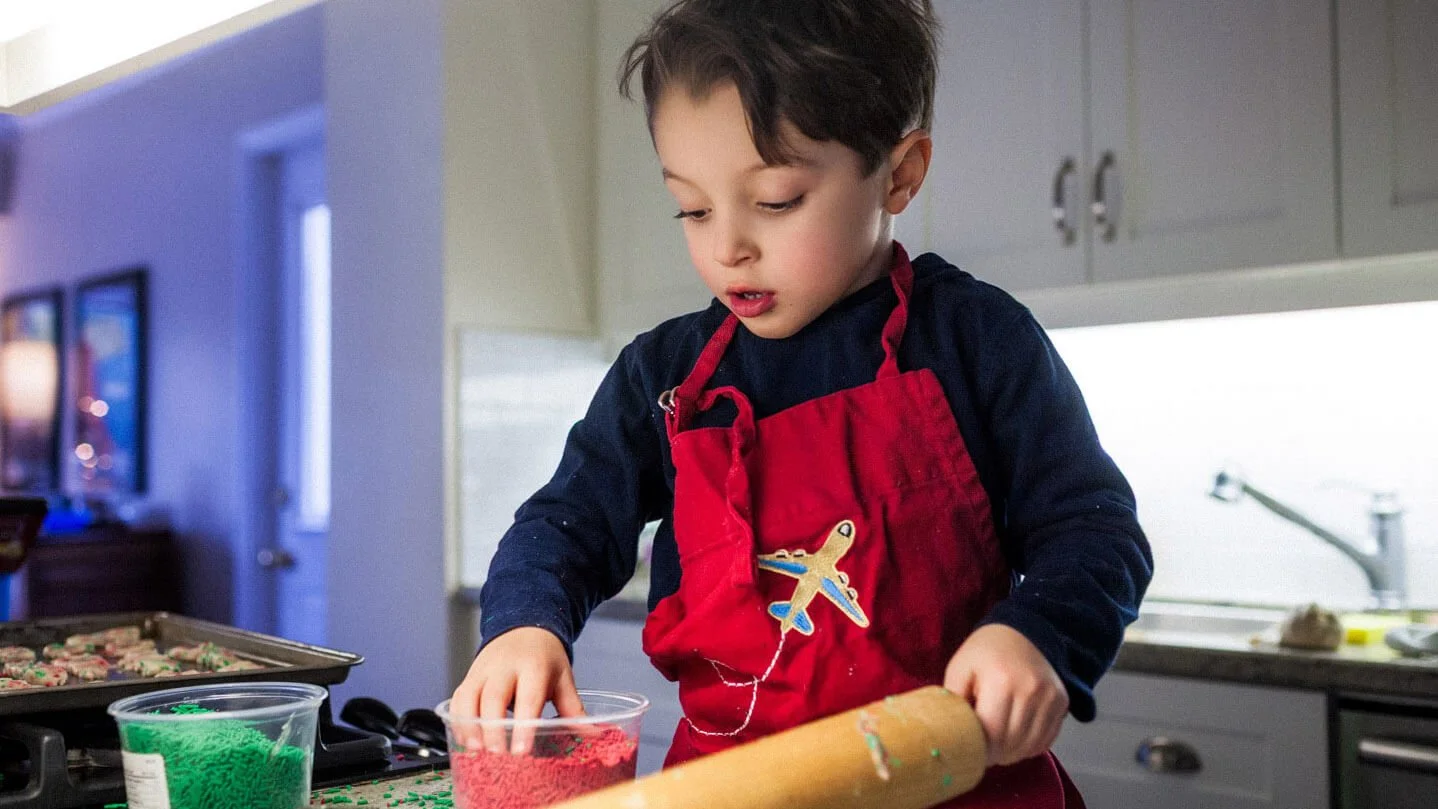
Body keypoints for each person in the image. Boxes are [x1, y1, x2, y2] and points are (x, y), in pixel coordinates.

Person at [449, 1, 1151, 805]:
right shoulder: (666, 377)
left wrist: (1036, 635)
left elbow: (1094, 529)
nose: (727, 246)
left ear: (900, 173)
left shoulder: (977, 341)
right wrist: (522, 623)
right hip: (735, 787)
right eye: (693, 207)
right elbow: (562, 524)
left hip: (957, 782)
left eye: (776, 200)